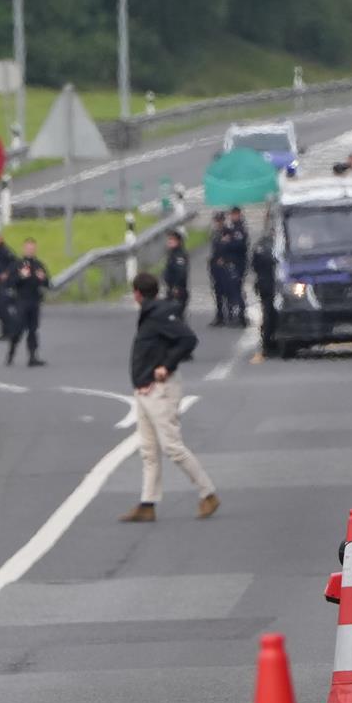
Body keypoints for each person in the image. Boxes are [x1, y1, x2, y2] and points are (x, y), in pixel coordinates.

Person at [122, 272, 220, 523]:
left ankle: (207, 492)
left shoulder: (159, 313)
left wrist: (166, 365)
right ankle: (148, 503)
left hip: (160, 389)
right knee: (149, 449)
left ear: (137, 293)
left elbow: (188, 339)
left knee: (172, 447)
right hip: (145, 388)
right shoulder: (152, 312)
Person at [0, 237, 50, 367]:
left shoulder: (39, 265)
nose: (30, 250)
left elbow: (48, 283)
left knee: (33, 329)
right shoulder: (17, 265)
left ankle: (33, 356)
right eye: (28, 248)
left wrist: (43, 278)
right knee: (18, 329)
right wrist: (21, 276)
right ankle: (11, 353)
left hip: (34, 301)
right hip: (21, 301)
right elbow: (9, 282)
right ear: (23, 249)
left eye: (32, 248)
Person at [250, 232, 278, 359]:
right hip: (270, 284)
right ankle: (268, 343)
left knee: (268, 313)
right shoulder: (270, 245)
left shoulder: (262, 244)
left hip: (266, 283)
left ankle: (269, 342)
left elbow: (254, 265)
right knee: (269, 314)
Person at [223, 206, 251, 328]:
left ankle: (241, 316)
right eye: (232, 214)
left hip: (238, 262)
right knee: (232, 288)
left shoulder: (239, 229)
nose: (233, 217)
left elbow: (239, 245)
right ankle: (234, 315)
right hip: (232, 262)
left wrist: (228, 242)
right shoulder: (231, 228)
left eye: (235, 214)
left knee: (237, 288)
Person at [207, 212, 230, 327]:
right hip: (215, 265)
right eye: (216, 220)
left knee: (228, 291)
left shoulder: (228, 232)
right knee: (218, 292)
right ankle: (220, 315)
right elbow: (215, 247)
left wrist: (224, 258)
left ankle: (230, 315)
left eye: (219, 220)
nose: (218, 223)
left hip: (225, 266)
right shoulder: (214, 233)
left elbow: (229, 248)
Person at [162, 230, 191, 319]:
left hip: (178, 290)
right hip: (171, 289)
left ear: (178, 241)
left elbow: (181, 273)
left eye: (172, 240)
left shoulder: (179, 255)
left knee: (176, 316)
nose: (170, 241)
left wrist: (176, 287)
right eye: (169, 239)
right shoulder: (172, 253)